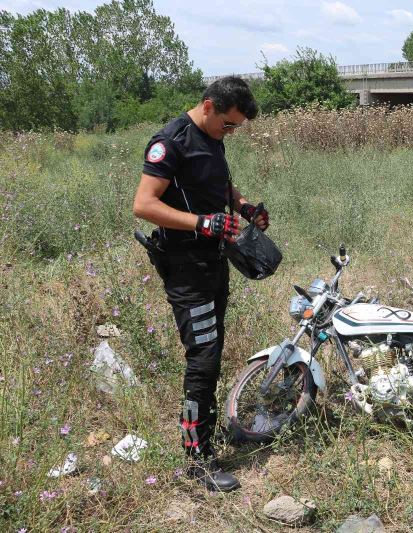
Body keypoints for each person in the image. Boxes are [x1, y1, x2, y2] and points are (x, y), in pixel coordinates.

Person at [132, 76, 268, 492]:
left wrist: (241, 206)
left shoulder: (213, 137)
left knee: (213, 350)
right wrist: (203, 223)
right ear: (208, 106)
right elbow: (143, 205)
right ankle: (197, 461)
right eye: (228, 124)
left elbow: (217, 182)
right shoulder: (169, 142)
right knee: (203, 358)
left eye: (236, 128)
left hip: (214, 262)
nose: (230, 132)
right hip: (185, 267)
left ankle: (205, 433)